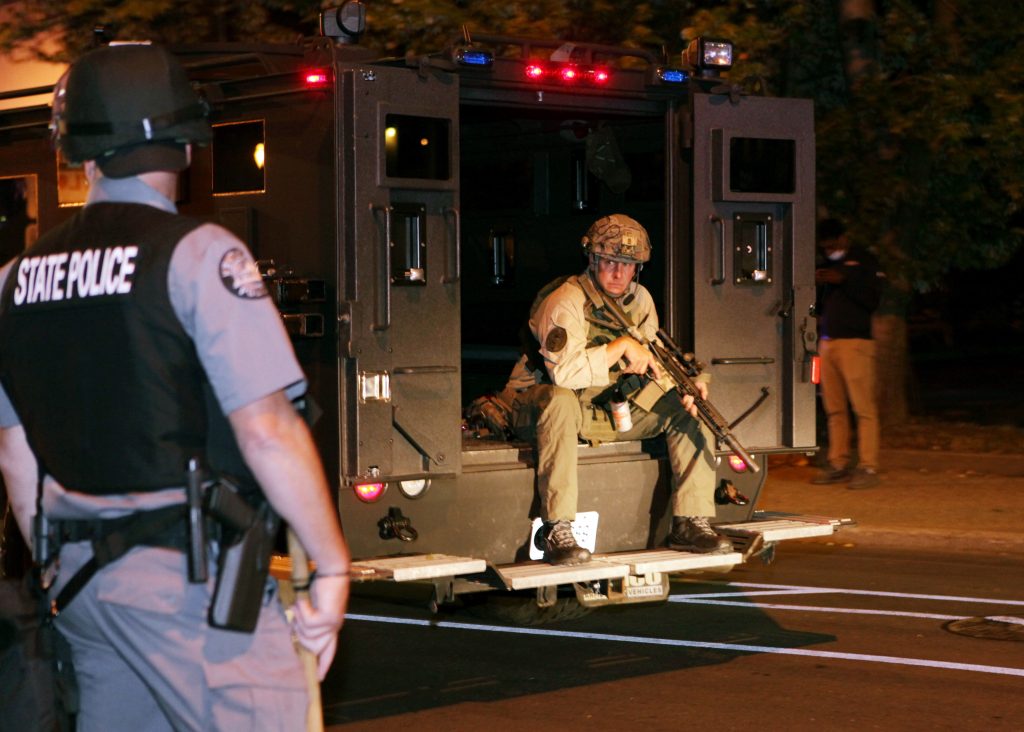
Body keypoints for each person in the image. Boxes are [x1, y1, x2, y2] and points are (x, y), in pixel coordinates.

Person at [0, 43, 350, 730]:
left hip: (81, 586)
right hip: (188, 589)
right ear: (188, 146)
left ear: (78, 151)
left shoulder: (13, 282)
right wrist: (332, 567)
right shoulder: (199, 256)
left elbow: (17, 458)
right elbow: (267, 429)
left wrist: (54, 559)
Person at [501, 214, 732, 565]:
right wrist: (620, 347)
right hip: (540, 405)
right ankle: (558, 528)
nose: (618, 273)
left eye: (629, 265)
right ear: (592, 260)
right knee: (561, 401)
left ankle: (690, 522)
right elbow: (563, 374)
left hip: (603, 406)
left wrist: (684, 384)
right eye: (610, 261)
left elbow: (654, 359)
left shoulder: (640, 301)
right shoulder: (567, 300)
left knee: (690, 411)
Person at [812, 218, 887, 489]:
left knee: (863, 408)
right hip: (828, 343)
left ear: (844, 238)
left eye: (833, 243)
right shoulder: (825, 264)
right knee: (834, 409)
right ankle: (838, 463)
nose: (829, 248)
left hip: (856, 343)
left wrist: (843, 280)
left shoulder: (864, 261)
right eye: (825, 245)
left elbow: (873, 299)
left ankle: (868, 467)